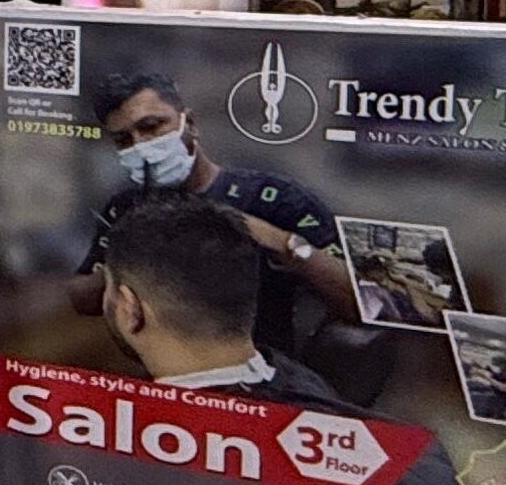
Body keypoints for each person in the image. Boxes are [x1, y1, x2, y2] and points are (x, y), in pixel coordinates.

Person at [98, 193, 459, 485]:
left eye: (109, 288)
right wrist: (287, 243)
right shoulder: (408, 459)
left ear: (131, 310)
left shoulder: (107, 446)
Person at [68, 67, 359, 351]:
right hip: (167, 371)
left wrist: (281, 243)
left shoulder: (273, 198)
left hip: (267, 369)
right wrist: (134, 262)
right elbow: (82, 297)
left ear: (190, 124)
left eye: (151, 127)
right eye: (124, 140)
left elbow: (361, 305)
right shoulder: (126, 208)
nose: (141, 146)